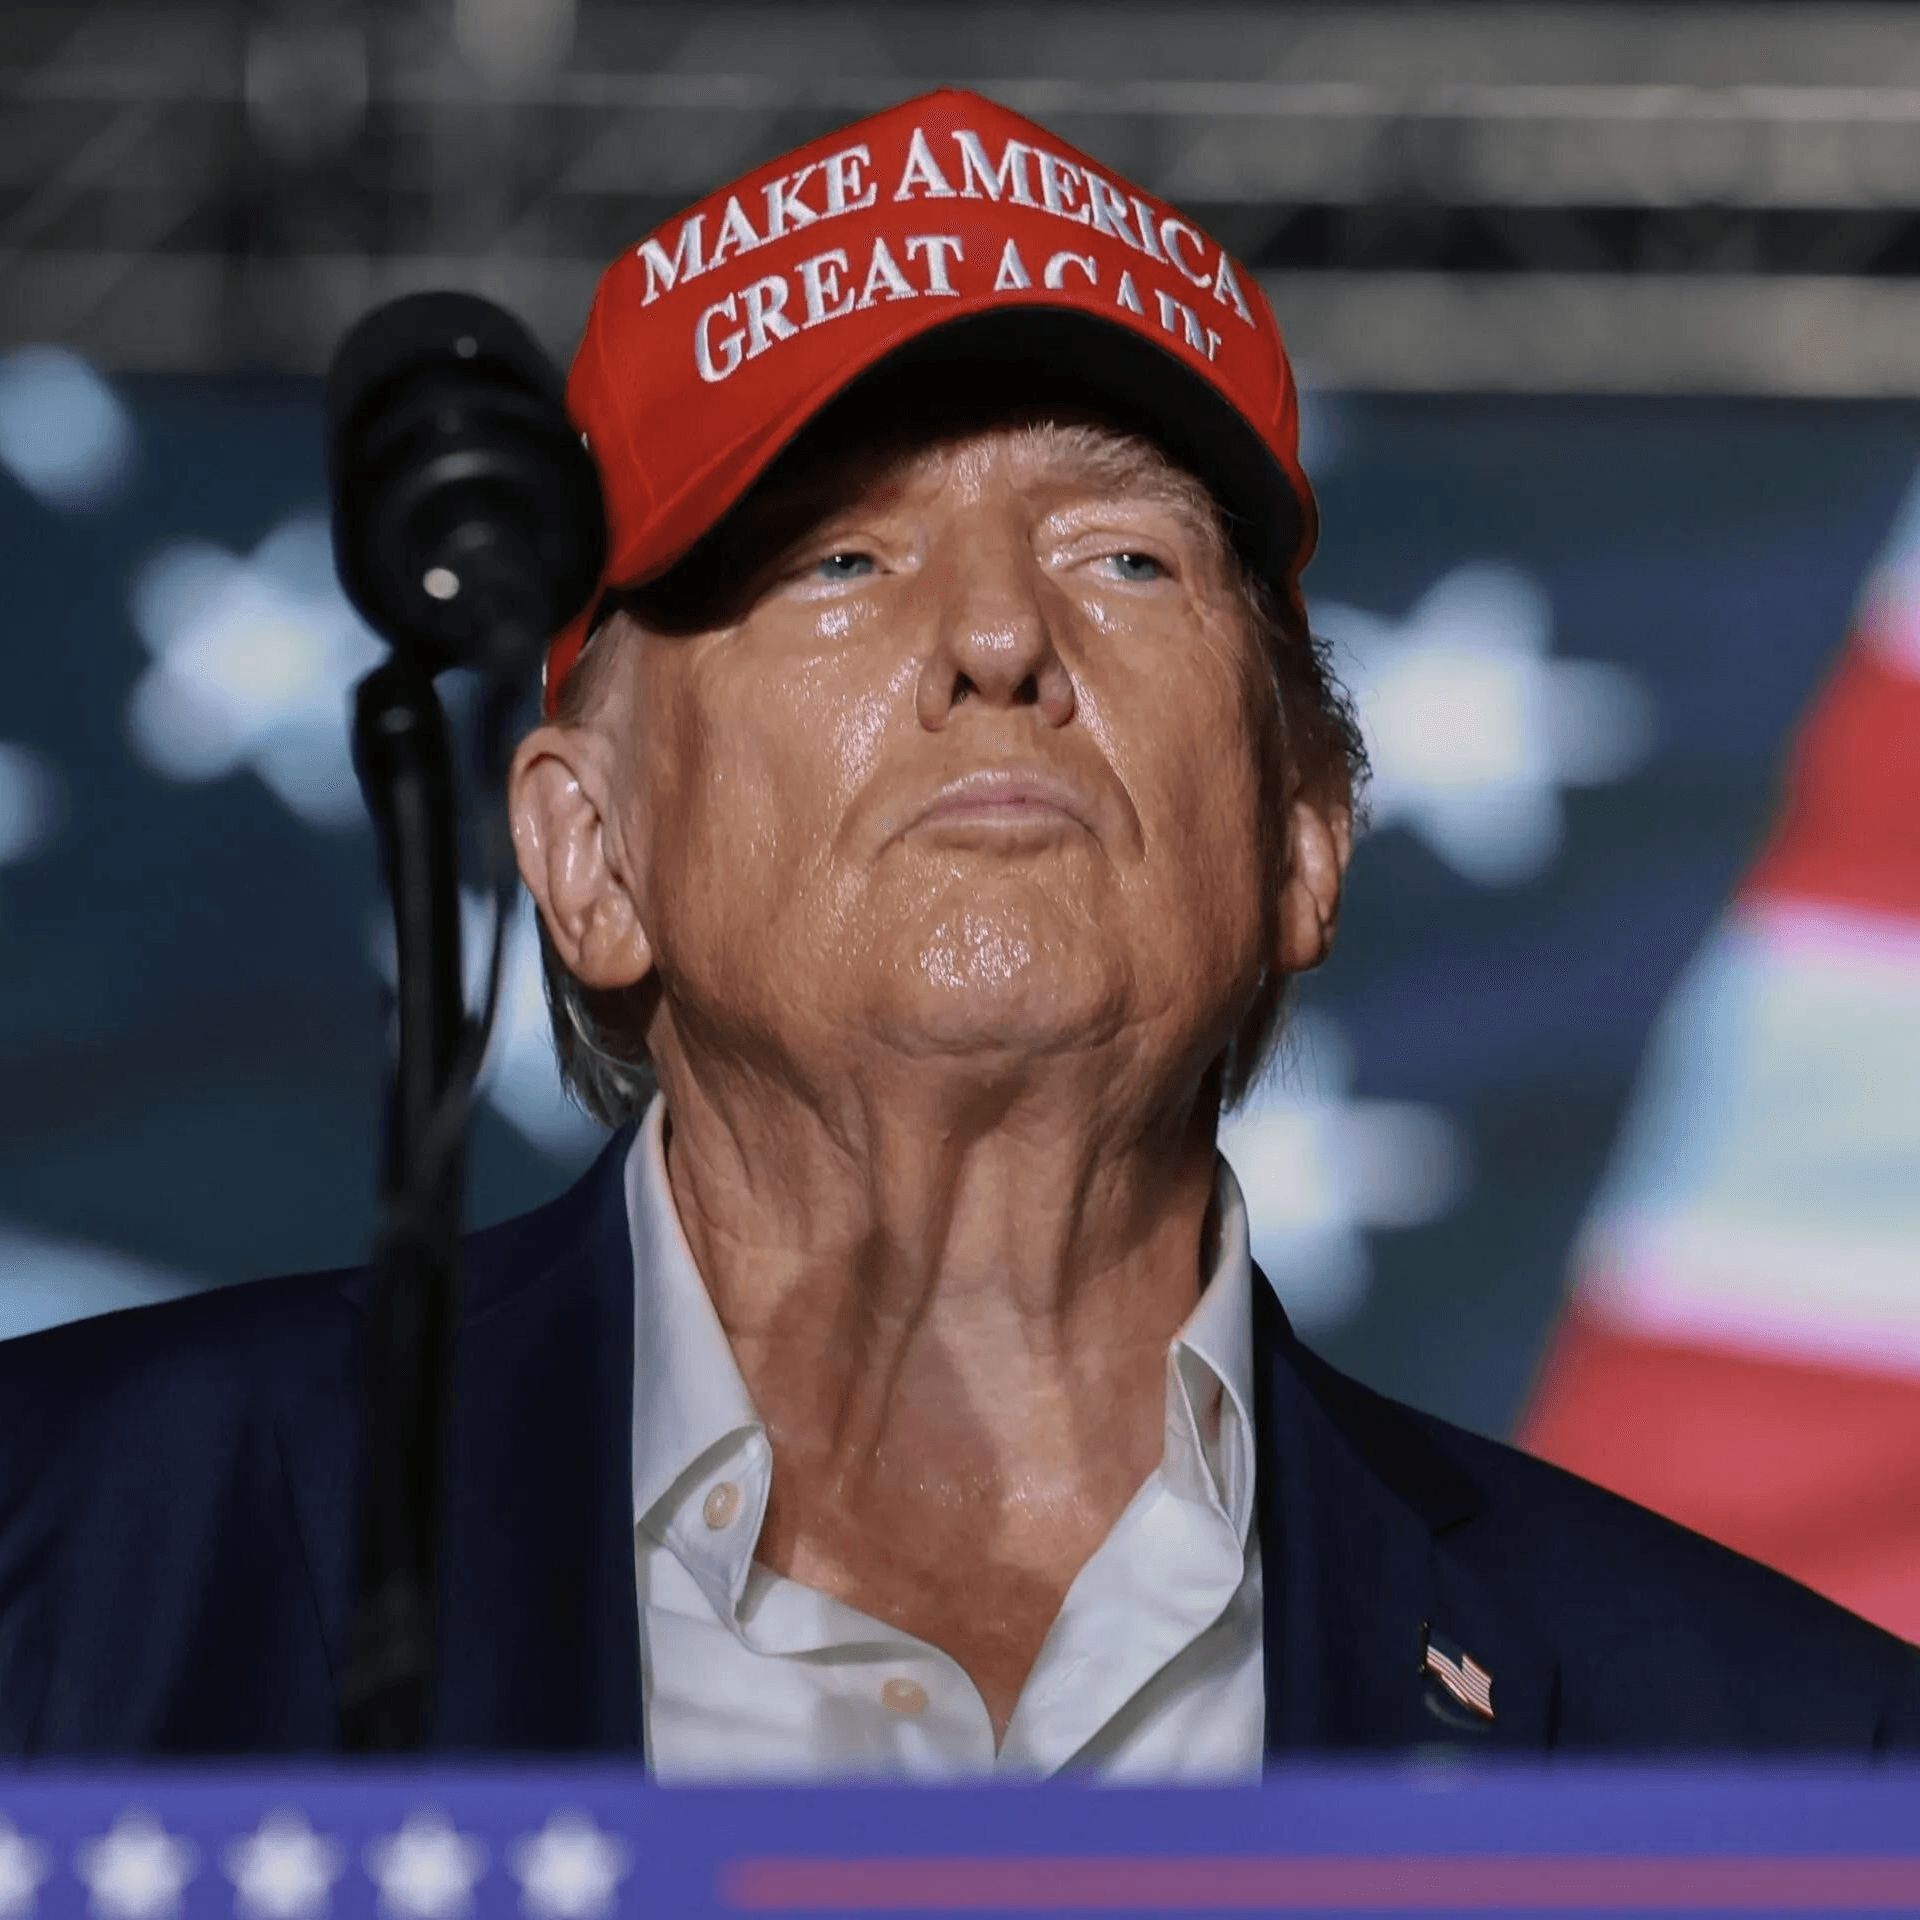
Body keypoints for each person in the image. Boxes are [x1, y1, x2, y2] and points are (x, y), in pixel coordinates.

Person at [1, 87, 1914, 1767]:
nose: (1001, 640)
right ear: (588, 855)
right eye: (839, 557)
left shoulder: (1791, 1762)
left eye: (1126, 557)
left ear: (1305, 837)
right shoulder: (65, 1564)